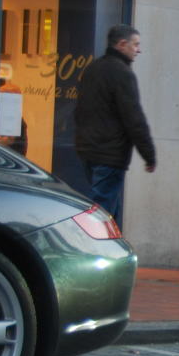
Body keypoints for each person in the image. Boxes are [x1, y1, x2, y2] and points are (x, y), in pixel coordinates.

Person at [73, 24, 155, 226]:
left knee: (108, 208)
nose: (139, 49)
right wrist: (149, 154)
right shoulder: (122, 74)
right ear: (122, 44)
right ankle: (96, 251)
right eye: (135, 44)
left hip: (89, 149)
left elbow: (79, 110)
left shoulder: (93, 69)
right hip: (109, 153)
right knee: (102, 211)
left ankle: (114, 251)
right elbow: (134, 118)